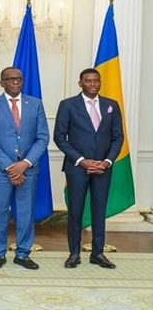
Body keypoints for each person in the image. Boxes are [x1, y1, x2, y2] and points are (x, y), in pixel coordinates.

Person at [53, 68, 123, 269]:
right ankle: (74, 253)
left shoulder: (111, 105)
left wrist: (107, 161)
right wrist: (82, 160)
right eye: (88, 81)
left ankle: (98, 253)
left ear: (100, 82)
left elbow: (118, 137)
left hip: (103, 168)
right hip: (77, 168)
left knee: (99, 211)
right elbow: (60, 137)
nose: (93, 84)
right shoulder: (68, 105)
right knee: (75, 211)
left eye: (96, 81)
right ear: (80, 83)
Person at [0, 67, 49, 270]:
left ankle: (23, 254)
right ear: (2, 82)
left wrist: (24, 163)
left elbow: (43, 137)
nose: (16, 82)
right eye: (10, 79)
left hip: (28, 169)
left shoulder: (35, 104)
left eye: (19, 79)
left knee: (26, 213)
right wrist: (11, 167)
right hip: (0, 170)